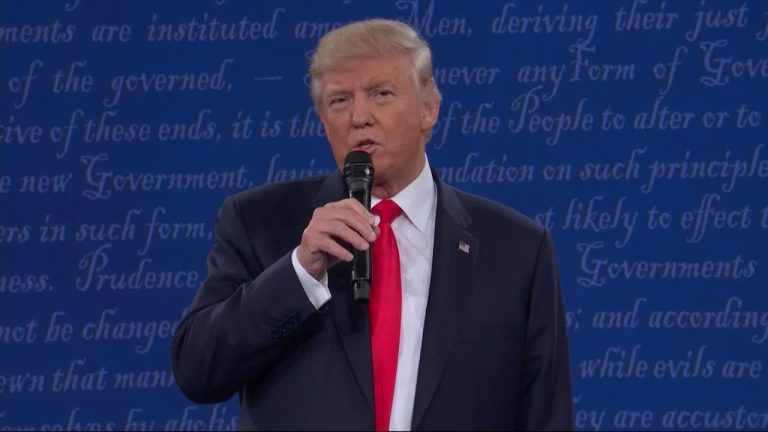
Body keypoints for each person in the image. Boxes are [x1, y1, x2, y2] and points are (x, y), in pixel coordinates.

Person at [172, 18, 573, 431]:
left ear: (428, 109)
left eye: (381, 94)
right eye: (339, 101)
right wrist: (300, 274)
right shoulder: (259, 222)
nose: (359, 116)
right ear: (324, 123)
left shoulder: (517, 250)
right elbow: (198, 371)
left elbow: (547, 415)